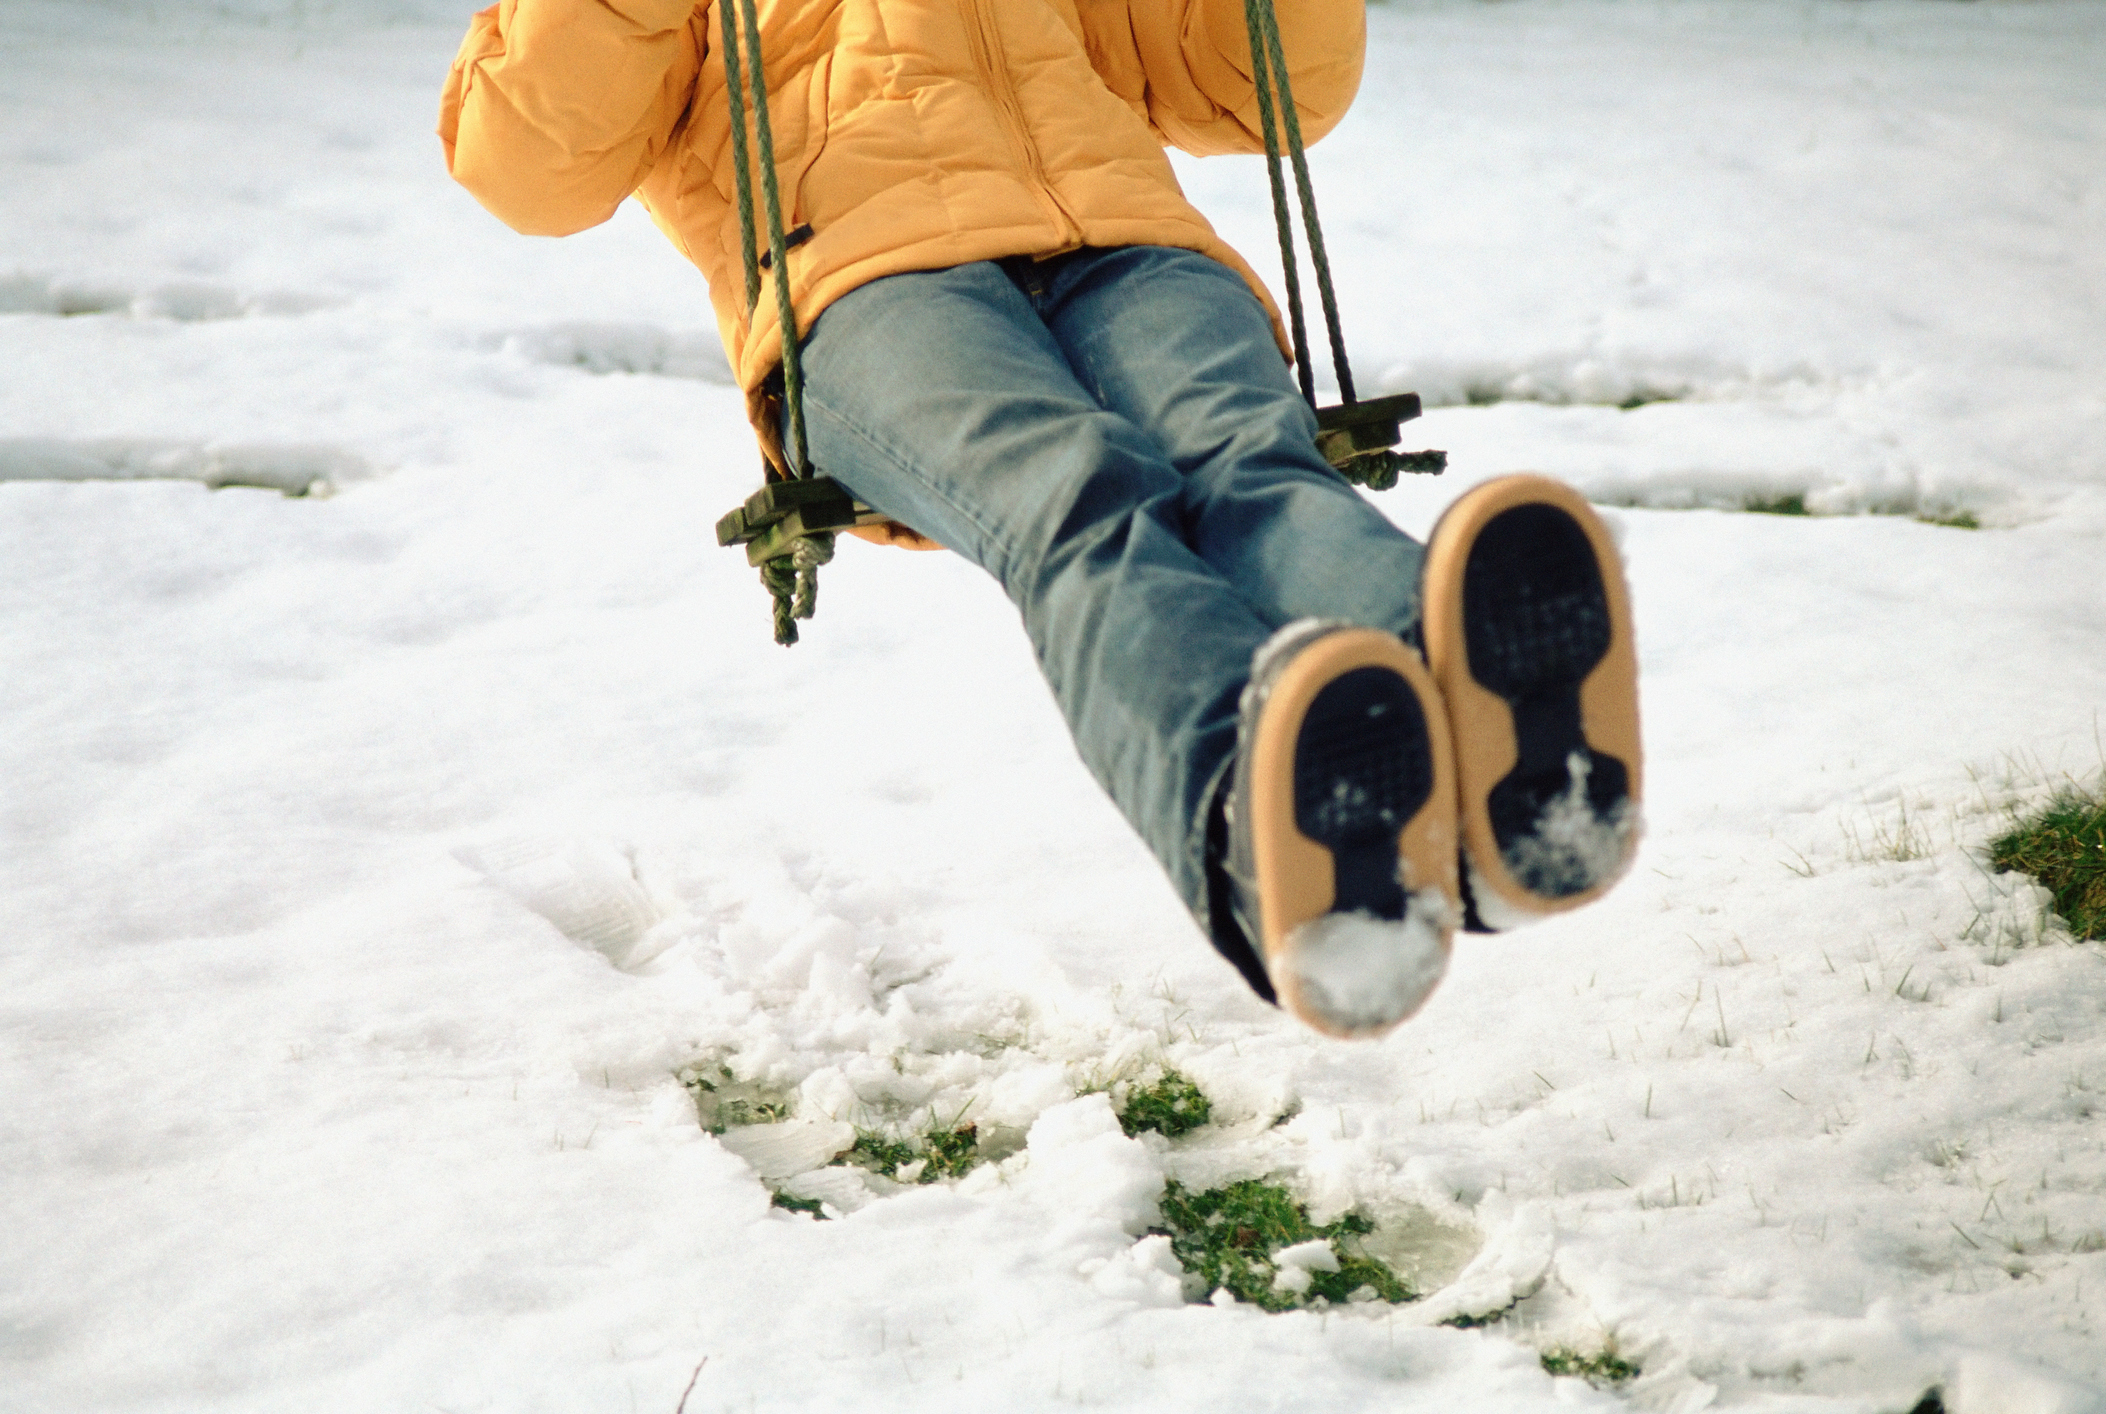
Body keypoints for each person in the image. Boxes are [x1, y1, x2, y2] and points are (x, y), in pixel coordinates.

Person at [438, 0, 1643, 1037]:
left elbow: (1259, 85)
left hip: (1126, 241)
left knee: (1253, 464)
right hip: (865, 279)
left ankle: (1499, 759)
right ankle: (1265, 836)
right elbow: (527, 166)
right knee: (1077, 494)